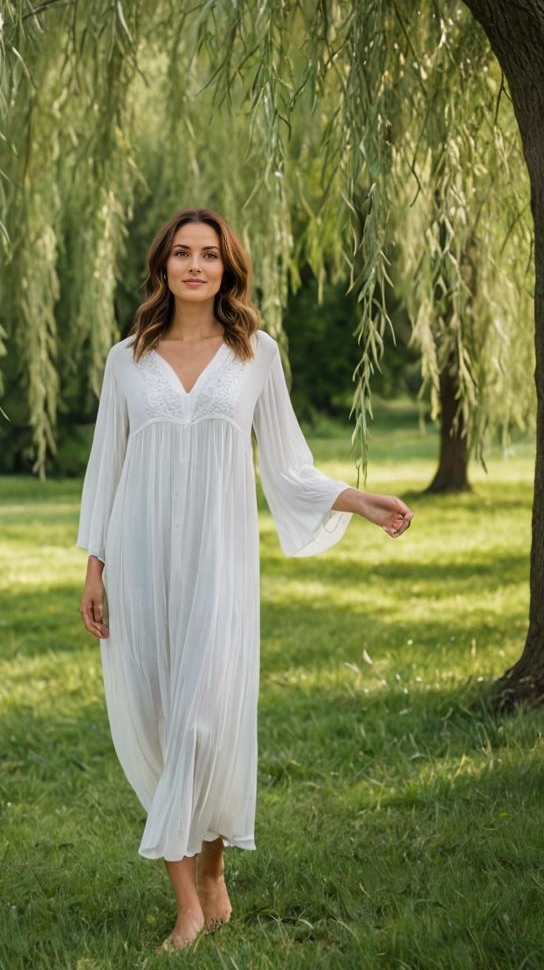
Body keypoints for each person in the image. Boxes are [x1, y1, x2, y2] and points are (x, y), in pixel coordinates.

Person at [76, 206, 413, 953]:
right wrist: (94, 568)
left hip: (221, 560)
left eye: (210, 255)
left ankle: (198, 895)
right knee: (167, 722)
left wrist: (357, 500)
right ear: (162, 265)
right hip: (140, 558)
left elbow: (287, 465)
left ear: (228, 269)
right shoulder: (124, 360)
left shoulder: (256, 353)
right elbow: (107, 470)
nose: (196, 266)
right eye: (182, 254)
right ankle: (202, 885)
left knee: (209, 720)